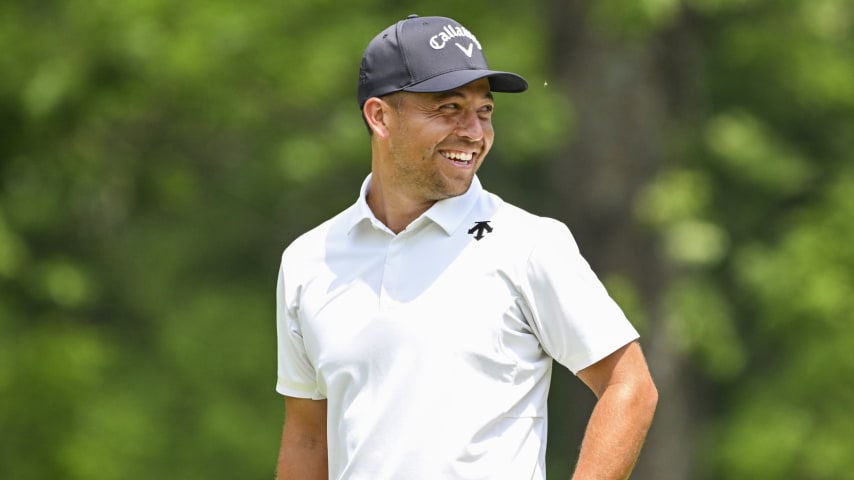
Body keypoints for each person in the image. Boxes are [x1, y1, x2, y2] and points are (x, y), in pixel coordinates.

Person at [275, 14, 657, 480]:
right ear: (380, 117)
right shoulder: (308, 261)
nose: (474, 133)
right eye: (449, 108)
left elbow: (629, 385)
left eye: (484, 111)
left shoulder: (529, 243)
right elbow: (308, 436)